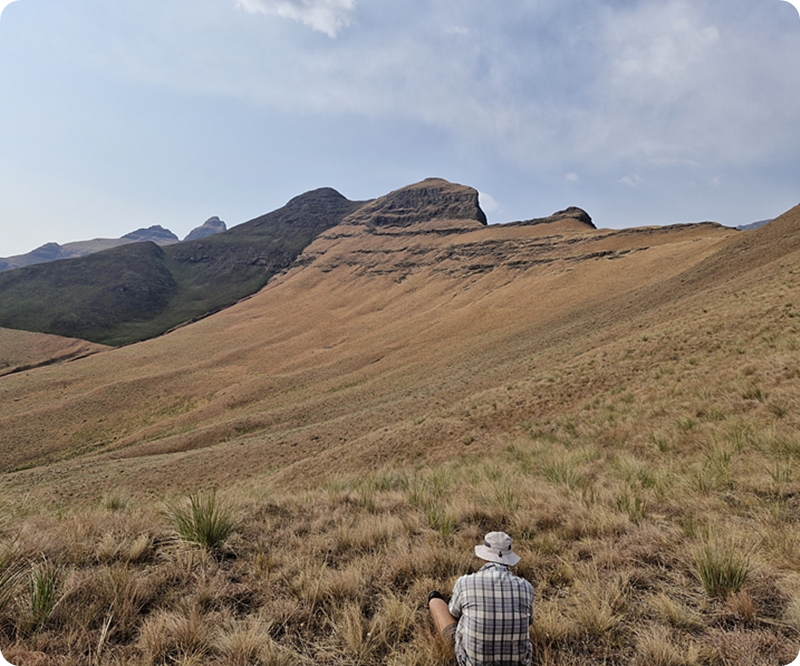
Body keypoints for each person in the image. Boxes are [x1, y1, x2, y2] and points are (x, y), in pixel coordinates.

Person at [428, 531, 534, 666]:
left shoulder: (465, 582)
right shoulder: (526, 587)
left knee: (436, 601)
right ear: (508, 558)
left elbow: (454, 613)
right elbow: (529, 621)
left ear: (484, 556)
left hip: (472, 662)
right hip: (518, 663)